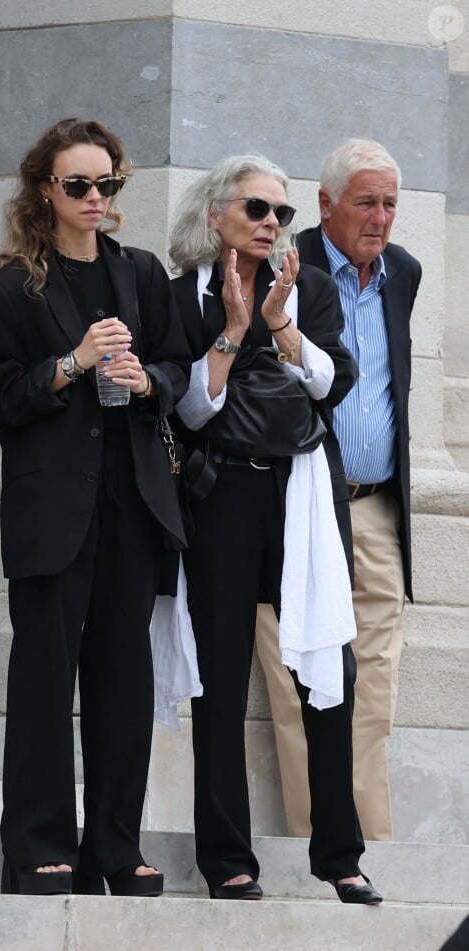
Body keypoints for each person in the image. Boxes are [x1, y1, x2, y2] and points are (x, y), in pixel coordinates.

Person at [0, 118, 191, 897]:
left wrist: (148, 381)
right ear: (45, 191)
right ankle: (37, 844)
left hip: (131, 499)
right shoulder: (10, 289)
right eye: (79, 185)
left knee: (123, 678)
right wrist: (72, 362)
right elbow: (3, 396)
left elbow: (175, 361)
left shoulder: (140, 273)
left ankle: (114, 845)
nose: (95, 198)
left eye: (107, 184)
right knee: (42, 677)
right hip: (52, 510)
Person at [168, 153, 382, 904]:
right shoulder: (181, 298)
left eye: (281, 213)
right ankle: (227, 858)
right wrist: (229, 331)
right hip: (221, 494)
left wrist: (279, 323)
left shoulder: (310, 290)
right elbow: (189, 411)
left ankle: (341, 855)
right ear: (215, 214)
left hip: (301, 490)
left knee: (331, 668)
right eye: (256, 208)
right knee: (220, 680)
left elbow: (332, 382)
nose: (270, 223)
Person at [256, 138, 422, 841]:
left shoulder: (403, 274)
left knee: (373, 690)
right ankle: (321, 848)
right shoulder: (279, 266)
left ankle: (371, 849)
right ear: (324, 205)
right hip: (297, 506)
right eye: (365, 202)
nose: (380, 218)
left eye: (389, 203)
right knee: (301, 684)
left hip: (376, 509)